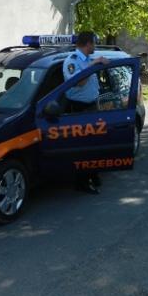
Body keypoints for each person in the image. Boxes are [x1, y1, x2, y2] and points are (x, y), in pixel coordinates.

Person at [63, 31, 109, 194]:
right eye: (94, 43)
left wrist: (98, 63)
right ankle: (82, 183)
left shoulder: (88, 60)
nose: (95, 46)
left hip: (92, 107)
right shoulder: (72, 61)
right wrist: (94, 63)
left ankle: (93, 175)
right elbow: (80, 82)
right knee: (84, 148)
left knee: (95, 145)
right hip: (79, 108)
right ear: (88, 43)